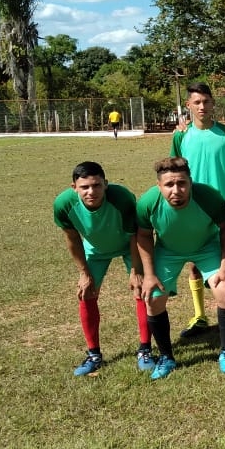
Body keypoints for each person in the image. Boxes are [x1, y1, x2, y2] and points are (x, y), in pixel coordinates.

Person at [136, 157, 225, 378]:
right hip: (168, 250)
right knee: (153, 298)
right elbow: (143, 236)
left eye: (182, 183)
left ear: (190, 182)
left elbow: (224, 229)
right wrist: (149, 274)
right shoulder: (148, 202)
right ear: (158, 186)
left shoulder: (208, 196)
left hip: (206, 246)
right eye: (169, 185)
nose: (176, 190)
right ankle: (166, 357)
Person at [53, 161, 152, 375]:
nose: (91, 192)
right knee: (86, 293)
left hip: (128, 246)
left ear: (105, 184)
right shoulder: (63, 205)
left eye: (97, 185)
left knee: (143, 290)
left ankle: (145, 349)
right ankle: (94, 354)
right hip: (95, 251)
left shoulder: (121, 198)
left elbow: (135, 234)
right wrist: (84, 273)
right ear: (74, 188)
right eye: (85, 187)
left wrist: (136, 271)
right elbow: (72, 239)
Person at [170, 83, 225, 341]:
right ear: (188, 105)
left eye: (206, 101)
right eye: (196, 102)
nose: (201, 106)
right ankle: (200, 315)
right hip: (194, 209)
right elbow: (174, 173)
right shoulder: (181, 136)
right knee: (195, 264)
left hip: (223, 208)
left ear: (213, 104)